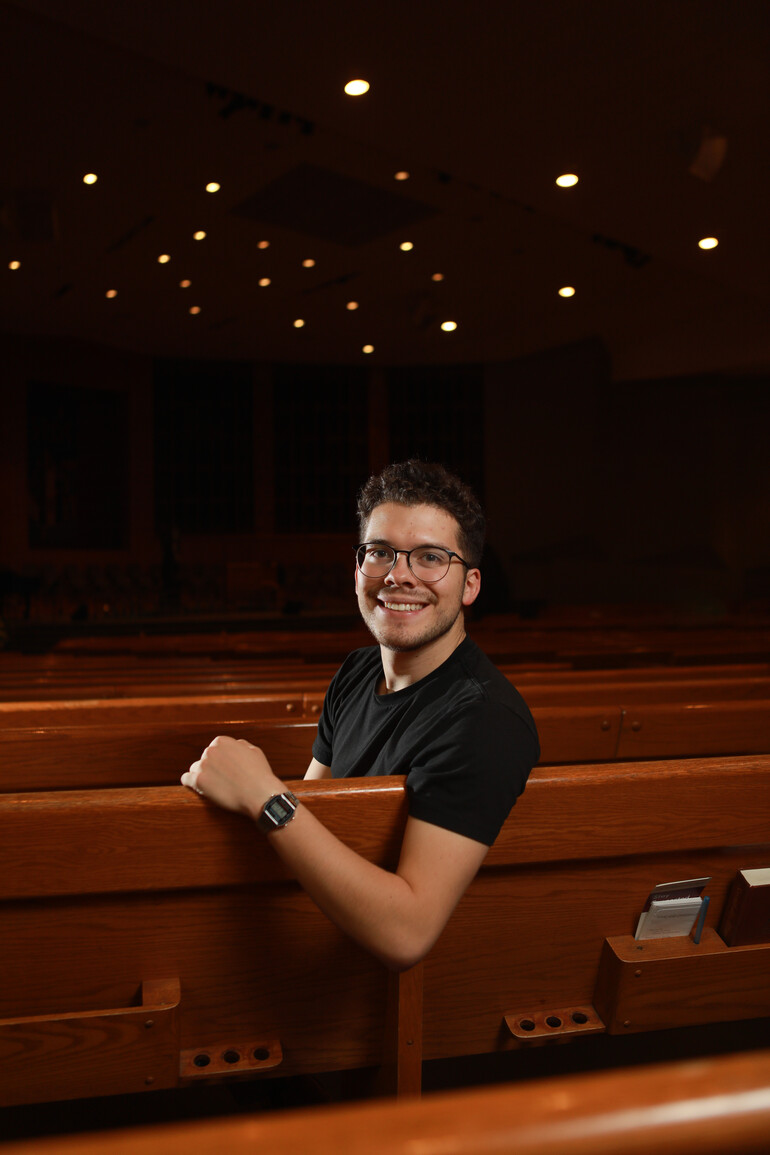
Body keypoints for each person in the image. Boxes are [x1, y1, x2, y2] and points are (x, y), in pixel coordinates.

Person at [181, 461, 539, 971]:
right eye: (379, 553)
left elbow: (407, 933)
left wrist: (264, 795)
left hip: (388, 995)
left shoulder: (484, 721)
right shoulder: (355, 672)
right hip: (321, 947)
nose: (398, 575)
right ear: (358, 570)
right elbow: (319, 819)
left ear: (470, 585)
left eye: (431, 557)